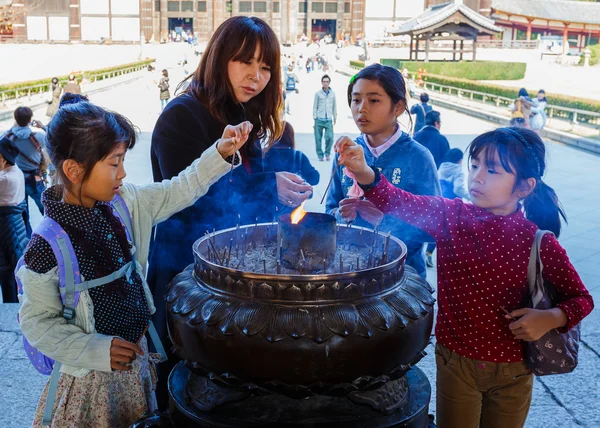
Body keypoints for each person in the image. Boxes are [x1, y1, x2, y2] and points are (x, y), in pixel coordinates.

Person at [335, 126, 594, 428]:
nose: (477, 176)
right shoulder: (450, 216)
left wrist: (551, 317)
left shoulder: (537, 241)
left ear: (524, 187)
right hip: (456, 364)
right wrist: (364, 171)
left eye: (493, 170)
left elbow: (581, 299)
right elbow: (398, 200)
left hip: (513, 370)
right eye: (474, 165)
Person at [17, 99, 249, 427]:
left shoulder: (127, 202)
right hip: (90, 383)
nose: (123, 173)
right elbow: (37, 322)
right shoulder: (46, 247)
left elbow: (180, 188)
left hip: (135, 366)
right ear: (73, 169)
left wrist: (220, 153)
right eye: (114, 163)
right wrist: (95, 348)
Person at [149, 16, 313, 409]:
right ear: (220, 57)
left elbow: (242, 195)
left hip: (230, 271)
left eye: (266, 66)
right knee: (181, 376)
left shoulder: (245, 114)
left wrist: (279, 185)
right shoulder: (182, 116)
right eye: (245, 61)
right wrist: (267, 186)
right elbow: (188, 195)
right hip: (184, 270)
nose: (256, 76)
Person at [326, 64, 440, 279]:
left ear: (398, 107)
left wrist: (384, 220)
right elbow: (330, 209)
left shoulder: (418, 157)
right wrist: (340, 216)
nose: (362, 108)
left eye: (374, 100)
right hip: (350, 271)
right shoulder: (346, 153)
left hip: (402, 277)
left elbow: (433, 226)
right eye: (356, 99)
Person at [1, 106, 48, 234]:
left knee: (23, 214)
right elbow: (52, 138)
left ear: (15, 119)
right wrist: (42, 126)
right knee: (47, 210)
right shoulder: (39, 136)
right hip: (35, 179)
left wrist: (13, 126)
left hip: (17, 179)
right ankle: (51, 234)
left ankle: (28, 240)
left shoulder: (7, 138)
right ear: (30, 119)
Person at [0, 139, 27, 303]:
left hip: (7, 228)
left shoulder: (5, 179)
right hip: (14, 226)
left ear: (3, 158)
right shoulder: (16, 171)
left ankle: (12, 310)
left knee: (8, 271)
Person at [264, 122, 320, 189]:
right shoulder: (298, 156)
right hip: (292, 198)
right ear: (291, 136)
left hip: (265, 197)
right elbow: (314, 179)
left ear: (272, 135)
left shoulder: (264, 155)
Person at [313, 74, 337, 162]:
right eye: (324, 82)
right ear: (322, 83)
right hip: (319, 119)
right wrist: (314, 117)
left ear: (329, 82)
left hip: (328, 119)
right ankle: (320, 155)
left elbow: (334, 106)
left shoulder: (333, 94)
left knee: (330, 137)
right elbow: (315, 105)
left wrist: (335, 117)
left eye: (327, 82)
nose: (325, 83)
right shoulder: (318, 94)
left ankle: (327, 153)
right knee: (318, 139)